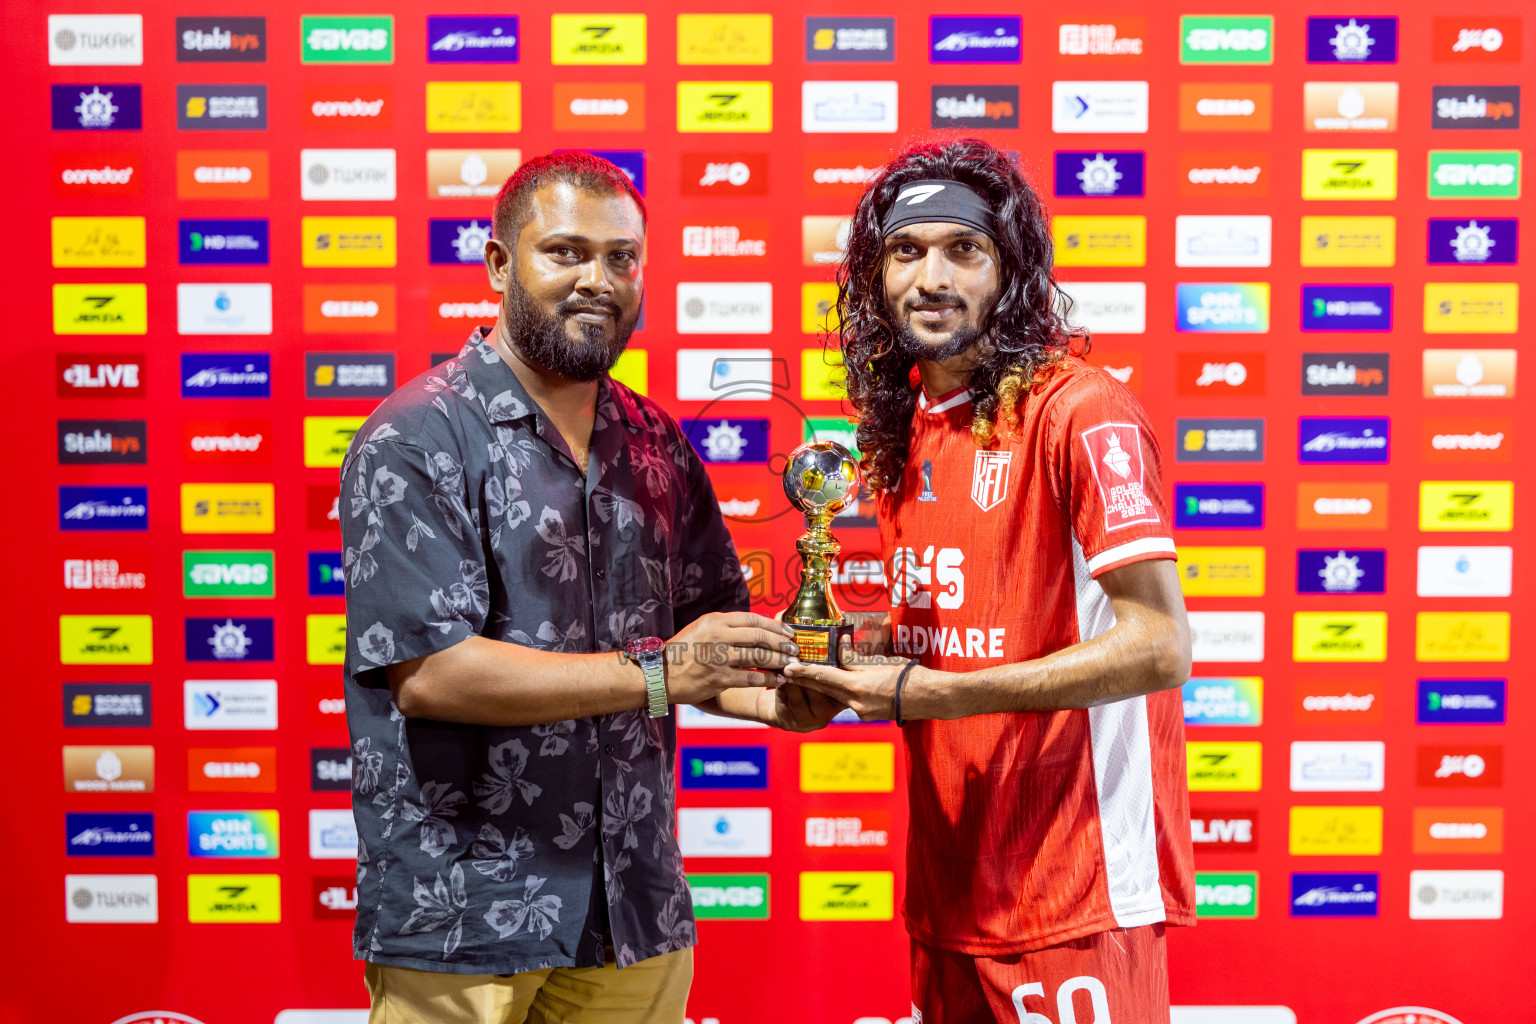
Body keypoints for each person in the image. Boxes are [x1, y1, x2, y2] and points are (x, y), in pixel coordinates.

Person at [339, 151, 839, 1024]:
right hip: (464, 918)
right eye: (564, 252)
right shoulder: (417, 435)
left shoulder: (655, 441)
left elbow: (701, 640)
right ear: (499, 265)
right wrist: (658, 673)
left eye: (621, 258)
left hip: (634, 910)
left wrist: (774, 696)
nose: (596, 281)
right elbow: (432, 674)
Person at [784, 138, 1196, 1024]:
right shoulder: (902, 429)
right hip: (950, 894)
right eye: (906, 251)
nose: (931, 277)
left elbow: (1160, 648)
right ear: (875, 278)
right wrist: (855, 653)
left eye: (962, 250)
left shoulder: (1081, 411)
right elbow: (962, 628)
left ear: (1010, 272)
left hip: (1075, 896)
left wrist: (941, 693)